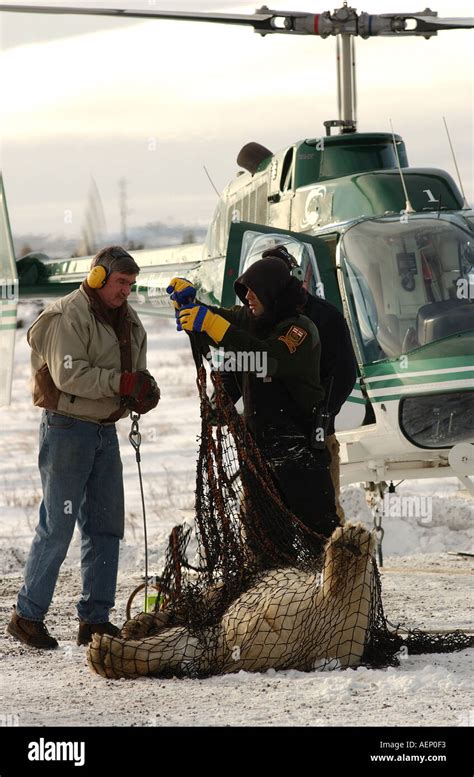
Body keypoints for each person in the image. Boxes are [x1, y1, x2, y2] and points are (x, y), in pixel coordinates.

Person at [7, 246, 160, 650]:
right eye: (120, 282)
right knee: (59, 523)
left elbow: (133, 367)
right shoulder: (67, 315)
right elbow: (70, 375)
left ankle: (94, 620)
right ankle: (27, 616)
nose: (126, 290)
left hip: (104, 432)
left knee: (106, 526)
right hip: (68, 431)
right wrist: (122, 385)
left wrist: (140, 391)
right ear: (96, 278)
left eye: (131, 284)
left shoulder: (126, 318)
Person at [167, 257, 340, 556]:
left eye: (254, 290)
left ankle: (331, 597)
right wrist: (193, 307)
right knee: (267, 543)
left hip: (300, 453)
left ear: (273, 293)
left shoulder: (299, 330)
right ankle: (277, 598)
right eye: (245, 291)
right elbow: (222, 322)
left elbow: (268, 358)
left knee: (319, 537)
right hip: (259, 452)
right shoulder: (251, 321)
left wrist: (212, 324)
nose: (247, 297)